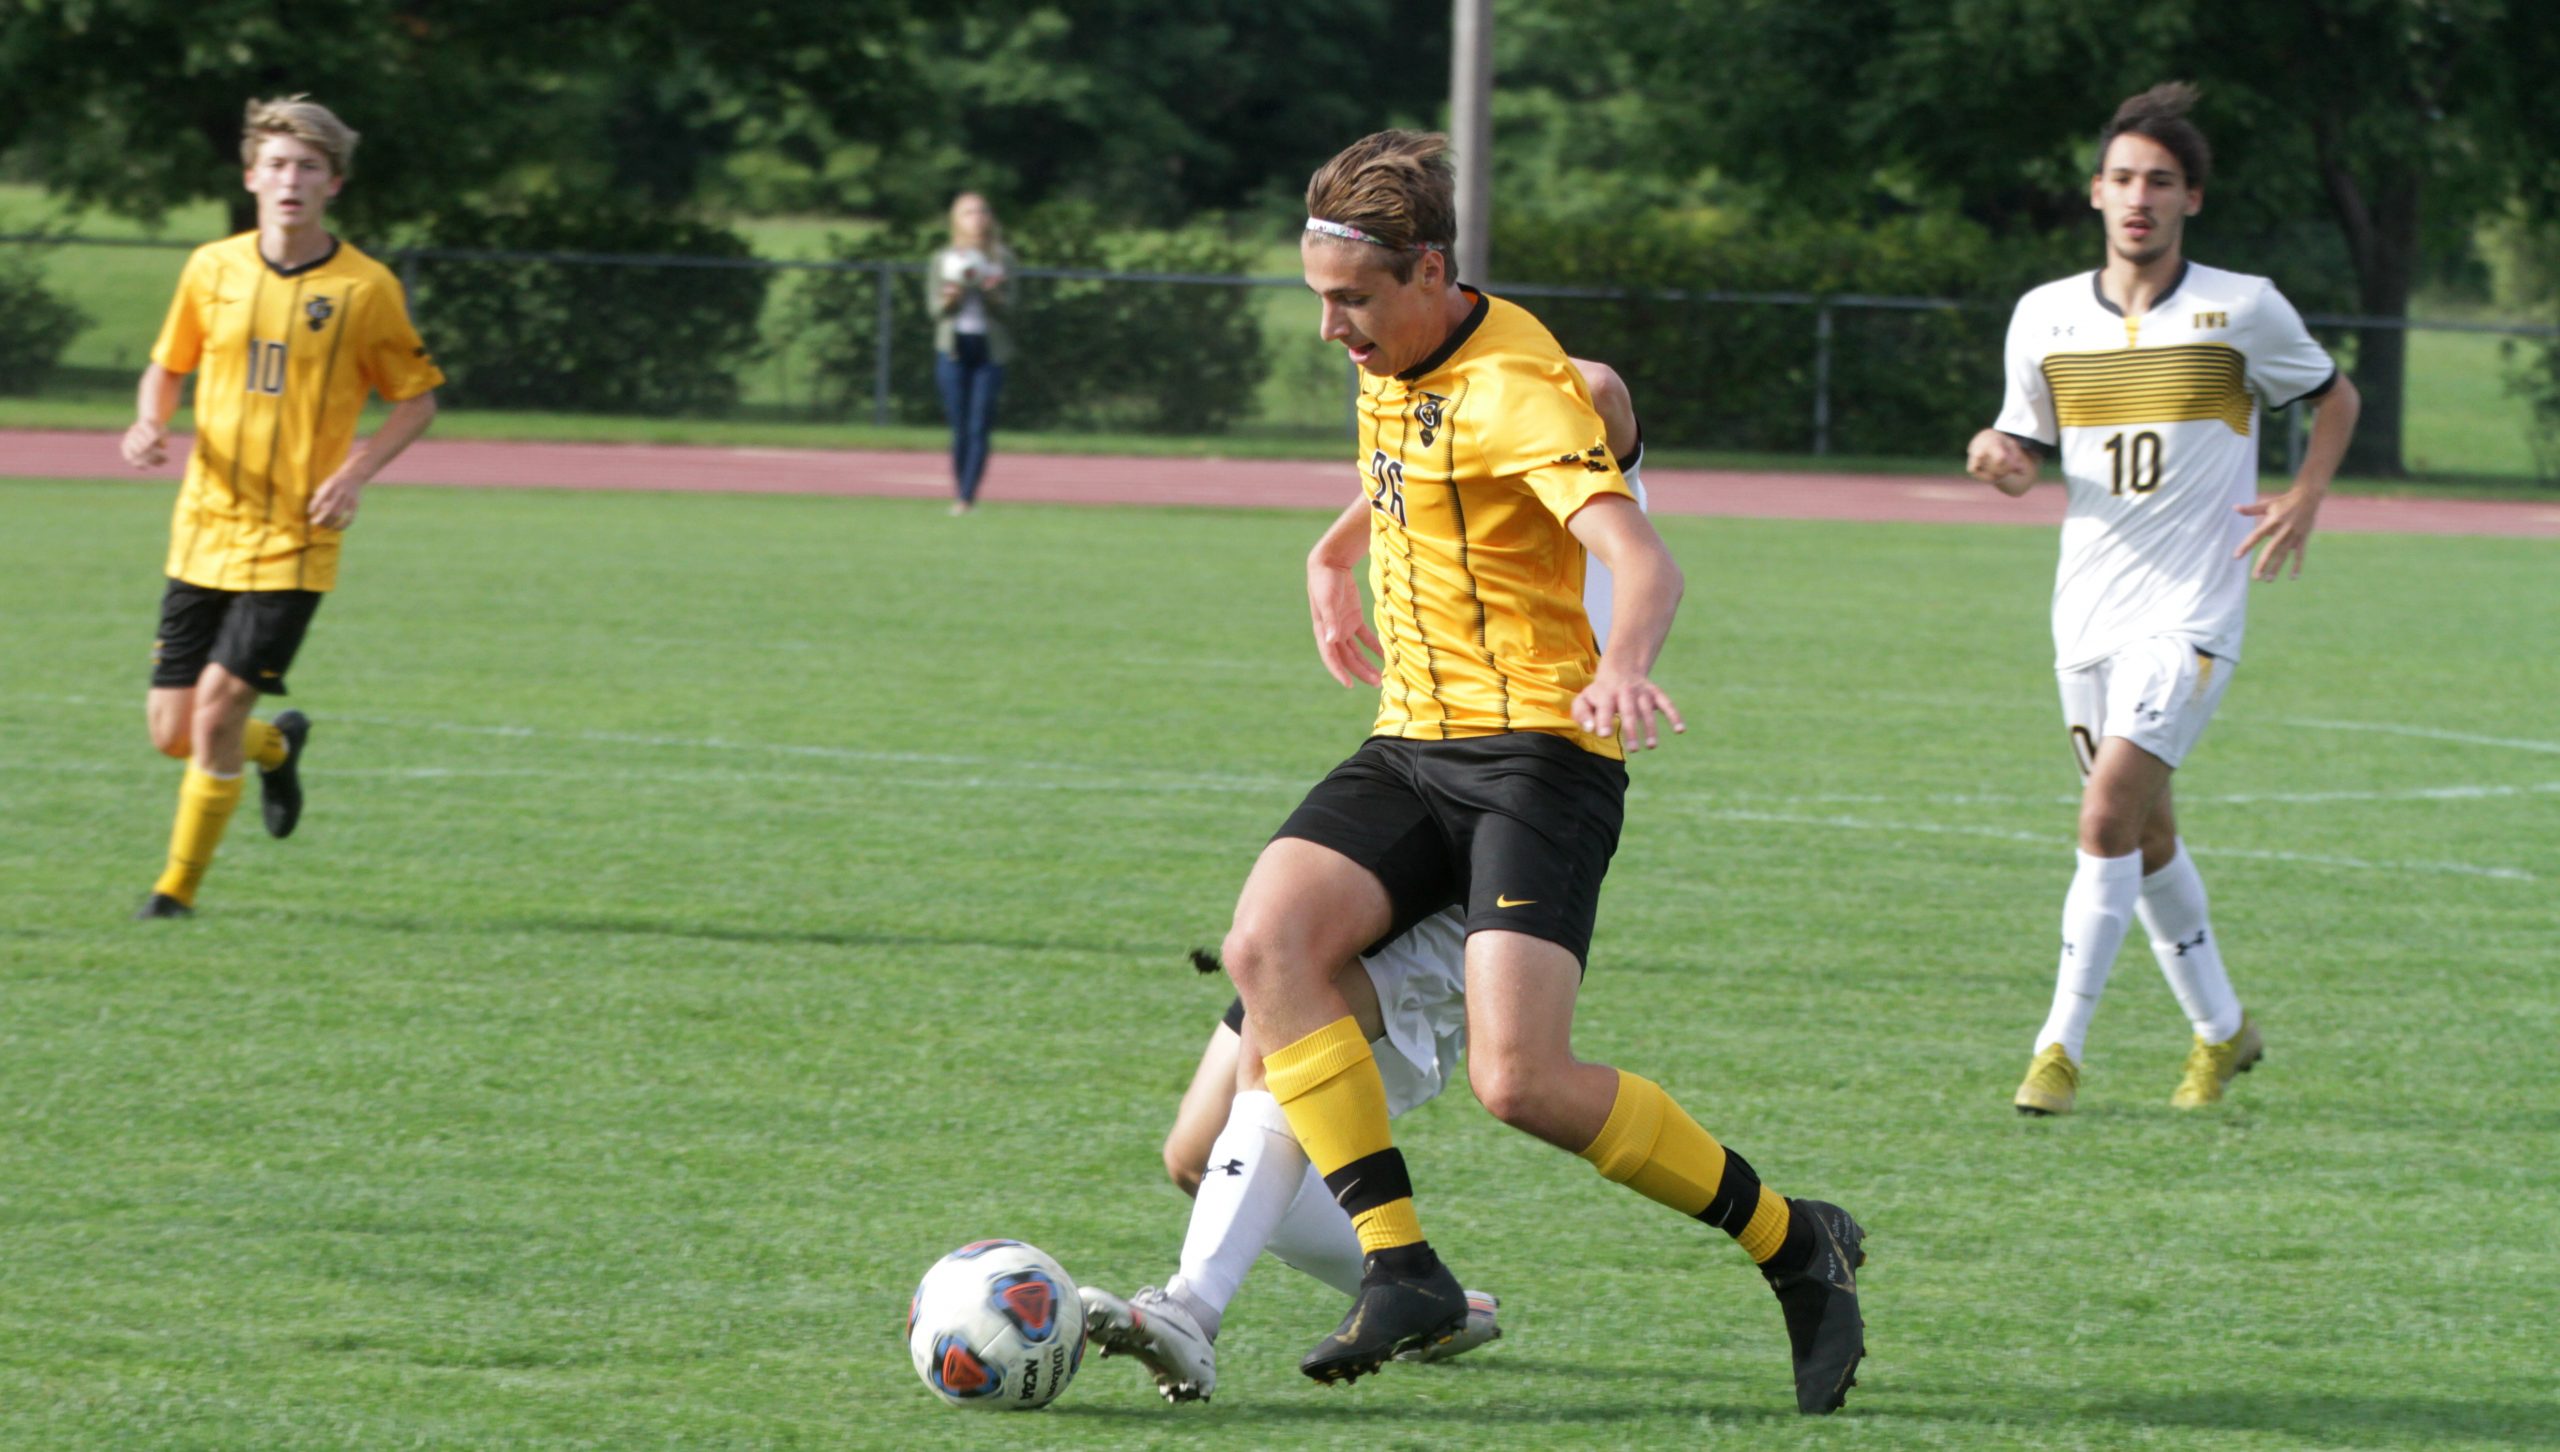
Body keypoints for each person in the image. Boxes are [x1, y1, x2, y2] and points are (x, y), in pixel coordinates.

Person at [1216, 131, 1865, 1416]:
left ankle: (1797, 1242)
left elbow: (1644, 553)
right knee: (1268, 944)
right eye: (1320, 298)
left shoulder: (1521, 386)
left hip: (1537, 757)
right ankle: (1399, 1267)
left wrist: (1623, 663)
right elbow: (1410, 462)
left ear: (1432, 270)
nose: (1331, 329)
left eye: (1351, 300)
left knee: (1522, 1082)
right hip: (1412, 740)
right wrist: (1330, 550)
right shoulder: (1395, 351)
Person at [1079, 359, 1647, 1405]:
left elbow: (1602, 392)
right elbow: (1411, 470)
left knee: (1280, 1062)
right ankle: (1428, 1297)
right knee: (1198, 1154)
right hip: (1401, 819)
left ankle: (1188, 1311)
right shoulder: (1456, 478)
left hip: (1487, 839)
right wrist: (1336, 546)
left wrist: (1508, 382)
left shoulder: (1570, 480)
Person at [1964, 82, 2361, 1115]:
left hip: (2190, 610)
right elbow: (2028, 444)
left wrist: (2306, 498)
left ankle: (2057, 1050)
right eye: (2125, 178)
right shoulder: (2043, 315)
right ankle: (2223, 1034)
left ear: (2191, 199)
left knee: (2102, 817)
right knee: (2143, 834)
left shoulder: (2243, 308)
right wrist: (2001, 459)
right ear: (2096, 192)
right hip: (2085, 608)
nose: (2140, 197)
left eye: (2163, 182)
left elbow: (2334, 397)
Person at [118, 95, 443, 920]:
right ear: (251, 176)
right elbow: (167, 366)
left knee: (220, 706)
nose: (290, 179)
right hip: (203, 525)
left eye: (307, 166)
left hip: (296, 537)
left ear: (333, 183)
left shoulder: (364, 289)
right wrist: (150, 421)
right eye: (276, 164)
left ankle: (174, 893)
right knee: (174, 732)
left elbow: (415, 401)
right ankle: (276, 746)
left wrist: (357, 472)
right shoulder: (211, 268)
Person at [927, 192, 1013, 515]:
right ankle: (960, 489)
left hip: (989, 350)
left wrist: (994, 295)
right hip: (954, 347)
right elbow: (934, 311)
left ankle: (967, 496)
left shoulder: (1002, 258)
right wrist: (951, 299)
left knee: (980, 423)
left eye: (982, 211)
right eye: (968, 212)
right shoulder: (943, 258)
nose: (977, 217)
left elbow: (1013, 310)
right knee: (959, 425)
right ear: (956, 219)